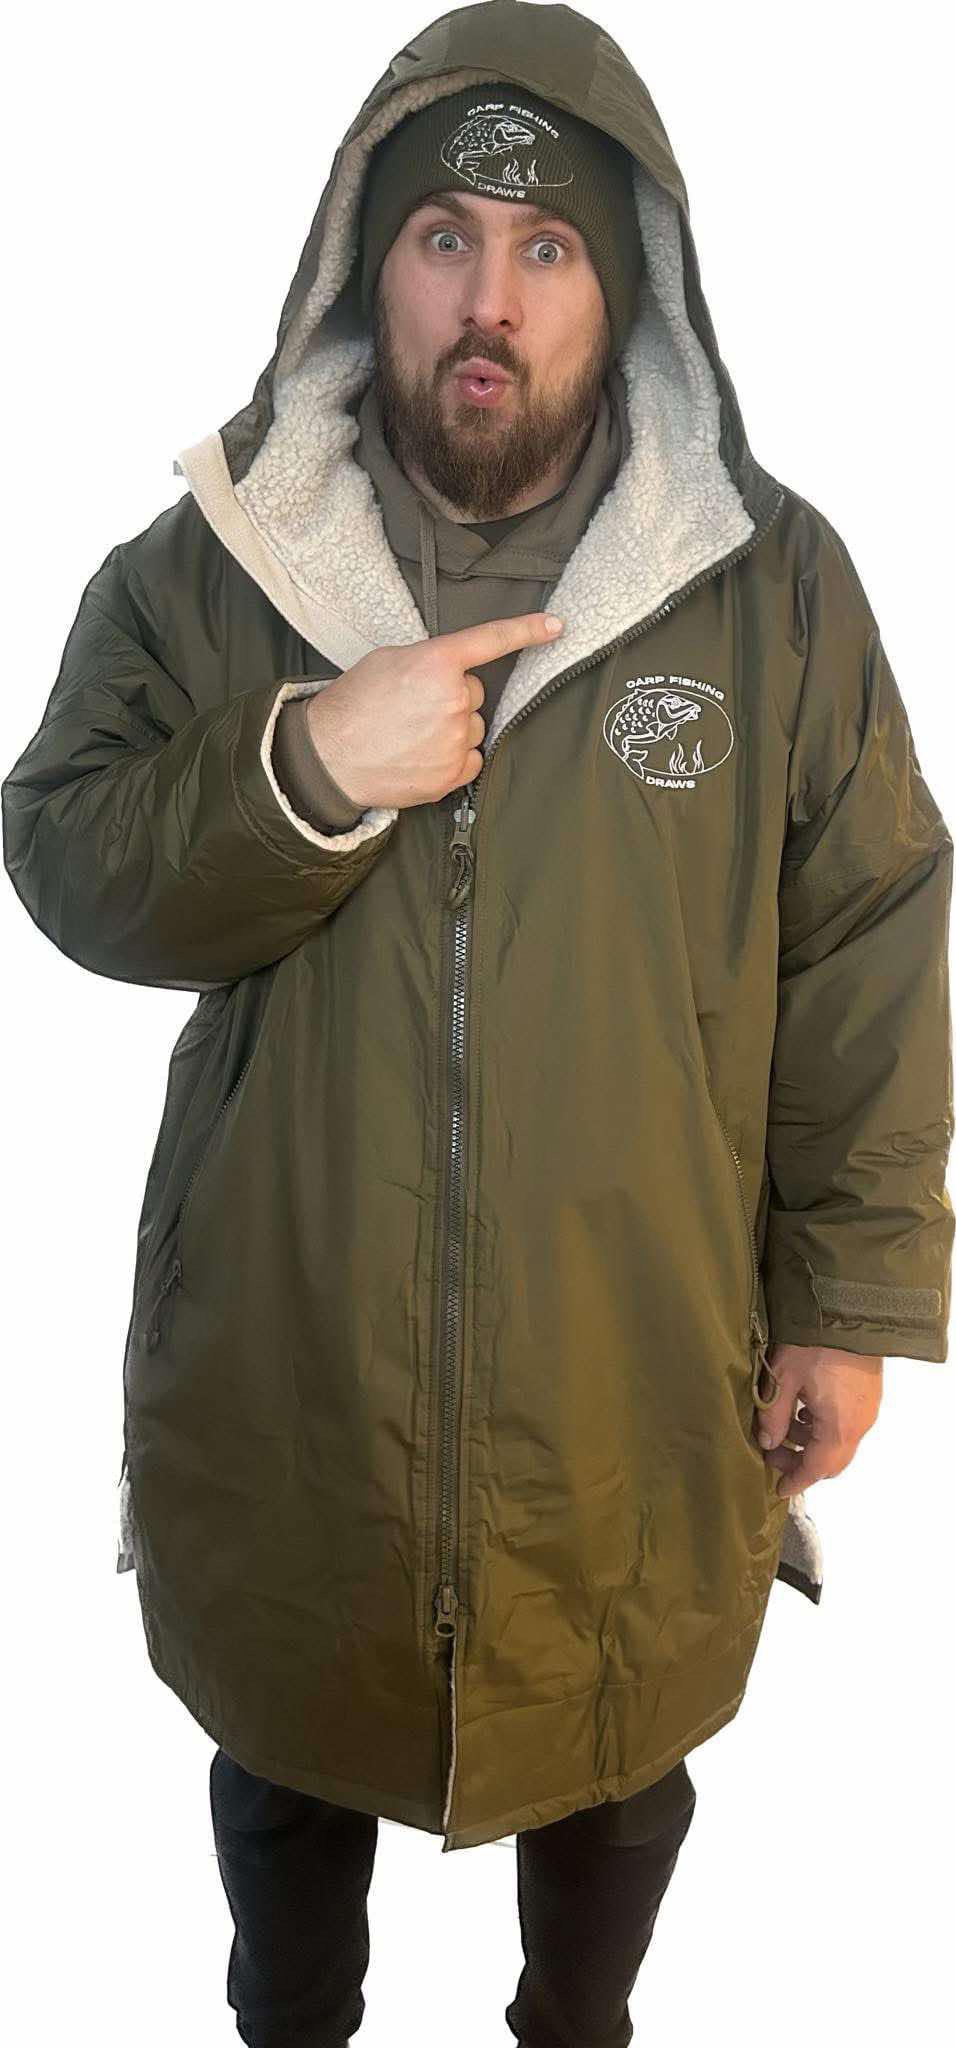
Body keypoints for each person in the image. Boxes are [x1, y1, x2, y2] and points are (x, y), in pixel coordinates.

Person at [3, 3, 953, 2044]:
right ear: (367, 261)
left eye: (546, 248)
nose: (489, 301)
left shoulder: (769, 588)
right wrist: (303, 765)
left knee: (620, 1737)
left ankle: (573, 2030)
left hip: (638, 1352)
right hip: (290, 1348)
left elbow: (870, 926)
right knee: (282, 1741)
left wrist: (850, 1293)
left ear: (633, 284)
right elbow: (65, 853)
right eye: (445, 237)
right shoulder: (214, 568)